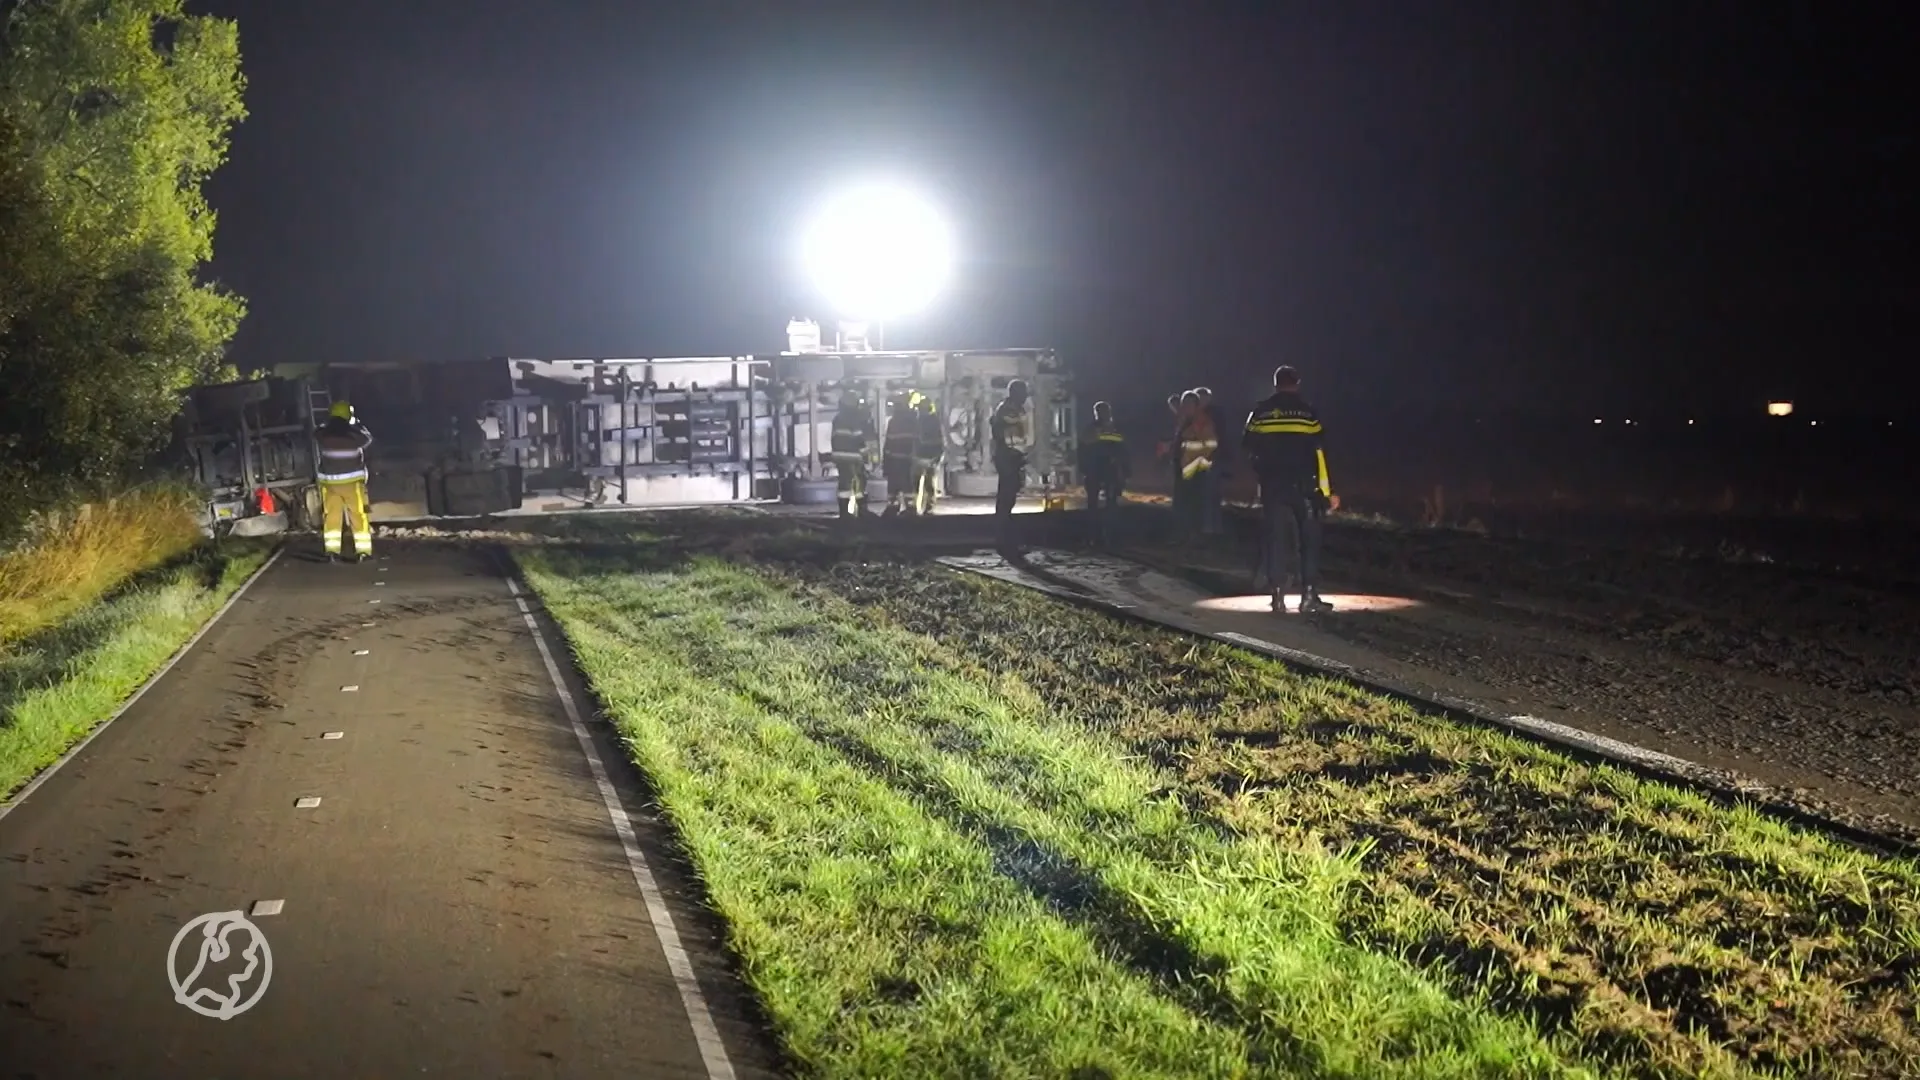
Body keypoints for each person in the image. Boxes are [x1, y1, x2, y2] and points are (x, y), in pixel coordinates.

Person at [1241, 365, 1338, 614]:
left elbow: (1247, 444)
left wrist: (1262, 469)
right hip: (1304, 485)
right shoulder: (1308, 412)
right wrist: (1327, 491)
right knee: (1309, 538)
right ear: (1297, 383)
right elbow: (1321, 451)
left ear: (1275, 384)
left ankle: (1277, 596)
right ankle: (1308, 596)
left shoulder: (1260, 411)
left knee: (1275, 537)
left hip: (1272, 484)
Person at [315, 399, 374, 562]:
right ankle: (363, 552)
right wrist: (357, 424)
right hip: (351, 484)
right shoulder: (355, 436)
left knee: (331, 516)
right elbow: (368, 438)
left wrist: (325, 423)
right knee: (358, 515)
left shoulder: (324, 435)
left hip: (329, 484)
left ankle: (332, 551)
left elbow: (316, 431)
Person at [989, 379, 1034, 547]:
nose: (1025, 397)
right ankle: (1002, 533)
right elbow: (1008, 433)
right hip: (1007, 456)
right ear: (1015, 393)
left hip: (1013, 456)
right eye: (1023, 393)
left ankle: (1004, 531)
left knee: (1010, 494)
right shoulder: (1008, 410)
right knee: (1006, 495)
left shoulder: (1014, 409)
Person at [1078, 400, 1128, 547]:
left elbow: (1122, 450)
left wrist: (1123, 470)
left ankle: (1105, 536)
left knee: (1108, 504)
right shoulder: (1097, 430)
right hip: (1097, 470)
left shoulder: (1097, 430)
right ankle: (1096, 536)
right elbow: (1083, 451)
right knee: (1097, 505)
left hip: (1106, 471)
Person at [1174, 390, 1218, 539]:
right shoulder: (1185, 421)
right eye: (1183, 404)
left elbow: (1210, 444)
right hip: (1185, 467)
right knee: (1184, 503)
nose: (1185, 407)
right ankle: (1184, 534)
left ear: (1196, 406)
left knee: (1194, 504)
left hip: (1196, 469)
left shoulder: (1201, 422)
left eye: (1188, 404)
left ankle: (1195, 536)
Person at [830, 385, 875, 519]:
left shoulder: (838, 418)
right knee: (859, 482)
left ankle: (845, 512)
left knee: (845, 483)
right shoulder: (854, 419)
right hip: (853, 456)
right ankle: (861, 510)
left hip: (840, 456)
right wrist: (866, 456)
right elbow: (859, 438)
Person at [1192, 386, 1230, 535]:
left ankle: (1209, 528)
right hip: (1210, 458)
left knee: (1209, 495)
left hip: (1211, 458)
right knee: (1211, 495)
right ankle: (1214, 527)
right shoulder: (1214, 414)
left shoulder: (1208, 415)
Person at [880, 392, 919, 517]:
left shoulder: (894, 421)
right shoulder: (913, 421)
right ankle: (910, 509)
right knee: (907, 485)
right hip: (907, 460)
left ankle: (893, 508)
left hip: (895, 460)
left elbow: (888, 443)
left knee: (895, 486)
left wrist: (885, 462)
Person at [911, 391, 944, 516]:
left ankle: (916, 507)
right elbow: (939, 441)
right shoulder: (934, 420)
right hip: (930, 457)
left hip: (921, 457)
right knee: (928, 483)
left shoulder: (917, 421)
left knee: (917, 483)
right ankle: (928, 507)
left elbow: (915, 439)